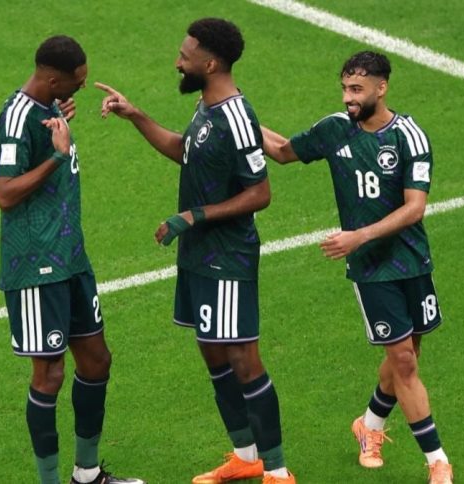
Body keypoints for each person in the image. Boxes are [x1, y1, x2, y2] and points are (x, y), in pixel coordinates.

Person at [96, 18, 295, 484]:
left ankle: (278, 471)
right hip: (199, 254)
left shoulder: (237, 118)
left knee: (244, 358)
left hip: (227, 256)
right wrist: (136, 115)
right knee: (213, 352)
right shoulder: (206, 107)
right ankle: (245, 457)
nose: (177, 63)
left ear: (210, 64)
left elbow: (260, 193)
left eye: (185, 57)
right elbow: (185, 151)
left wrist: (194, 216)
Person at [260, 51, 454, 484]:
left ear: (381, 89)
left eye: (357, 90)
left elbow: (415, 208)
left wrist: (358, 235)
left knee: (408, 355)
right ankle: (437, 461)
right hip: (372, 270)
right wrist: (241, 116)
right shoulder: (334, 129)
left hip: (411, 259)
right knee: (404, 362)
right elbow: (283, 152)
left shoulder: (408, 136)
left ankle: (369, 425)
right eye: (345, 88)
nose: (348, 98)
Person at [0, 34, 144, 484]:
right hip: (36, 265)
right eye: (76, 81)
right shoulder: (16, 118)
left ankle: (87, 474)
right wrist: (57, 158)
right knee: (50, 374)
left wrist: (56, 118)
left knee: (96, 360)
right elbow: (5, 193)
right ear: (53, 79)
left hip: (72, 258)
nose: (81, 86)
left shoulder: (49, 107)